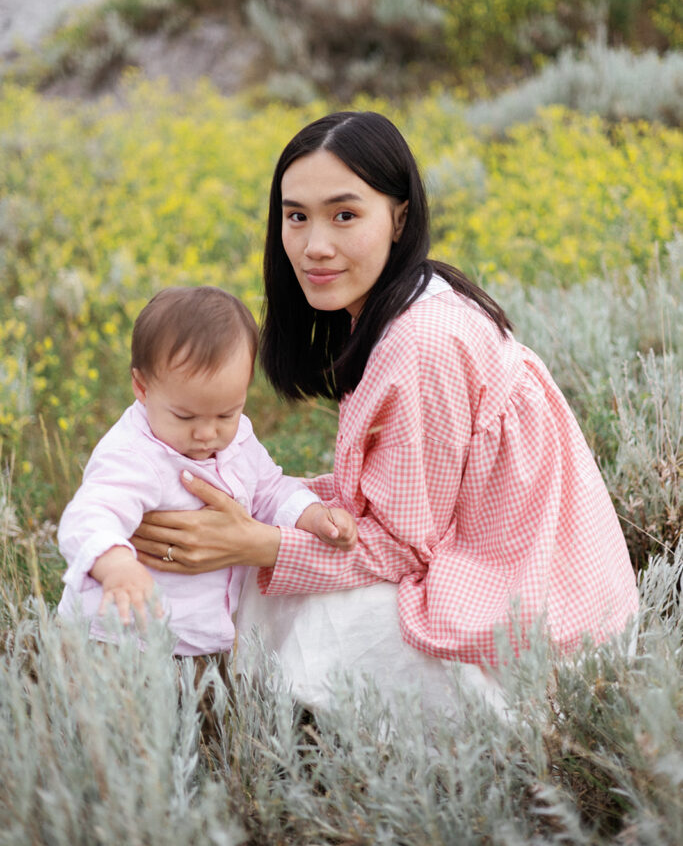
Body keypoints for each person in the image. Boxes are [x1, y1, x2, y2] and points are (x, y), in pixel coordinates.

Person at [131, 112, 639, 710]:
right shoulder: (404, 305)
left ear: (399, 216)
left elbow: (403, 548)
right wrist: (249, 501)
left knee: (263, 584)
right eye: (296, 216)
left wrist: (257, 542)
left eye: (345, 215)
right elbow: (389, 500)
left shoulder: (421, 343)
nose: (314, 245)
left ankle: (181, 713)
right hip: (525, 590)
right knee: (250, 552)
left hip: (532, 649)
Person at [58, 285, 357, 657]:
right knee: (122, 716)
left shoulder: (237, 440)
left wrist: (313, 516)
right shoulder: (134, 455)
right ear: (142, 387)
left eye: (226, 414)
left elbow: (270, 489)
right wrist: (116, 564)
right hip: (120, 642)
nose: (206, 433)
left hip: (201, 640)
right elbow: (90, 515)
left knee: (203, 714)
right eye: (185, 416)